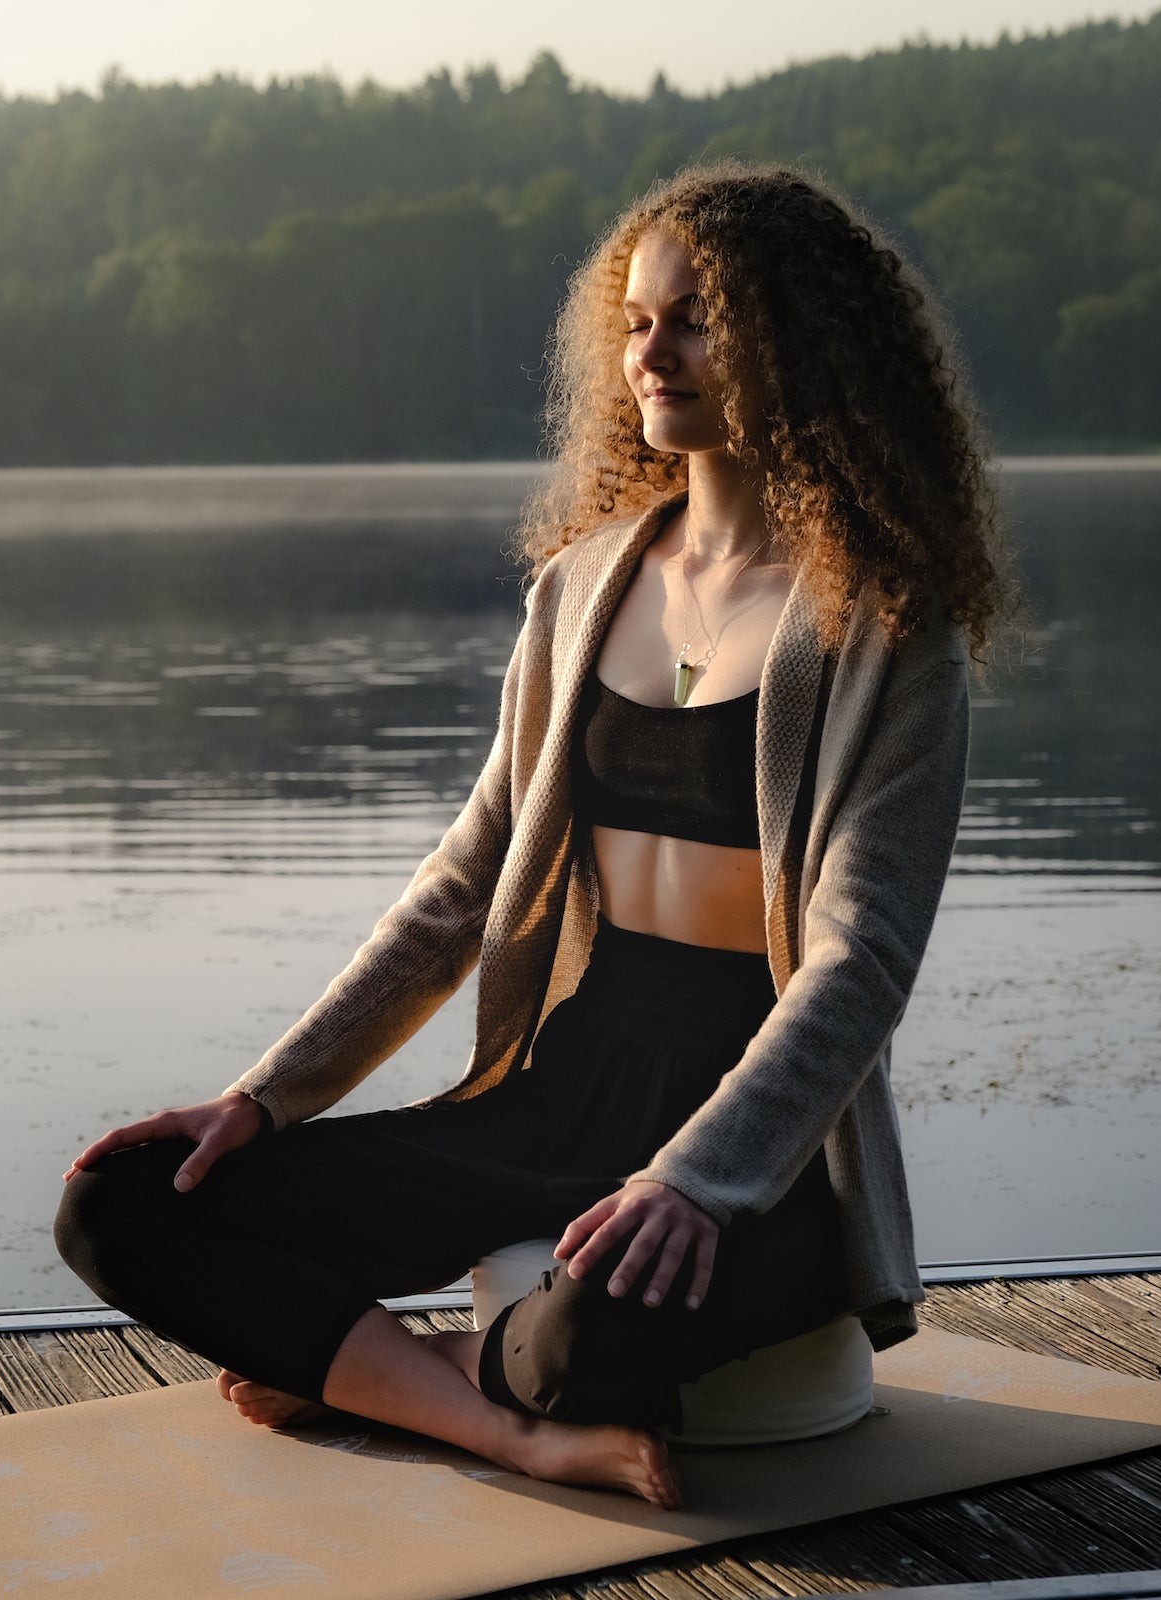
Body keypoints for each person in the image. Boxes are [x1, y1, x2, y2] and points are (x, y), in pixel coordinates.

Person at [54, 162, 1005, 1510]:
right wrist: (264, 1100)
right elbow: (459, 893)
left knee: (588, 1340)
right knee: (127, 1203)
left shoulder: (887, 628)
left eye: (697, 318)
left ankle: (420, 1366)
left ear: (800, 339)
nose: (651, 354)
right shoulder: (581, 588)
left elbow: (863, 961)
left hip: (764, 1133)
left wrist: (697, 1181)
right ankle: (498, 1426)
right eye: (634, 321)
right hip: (563, 1080)